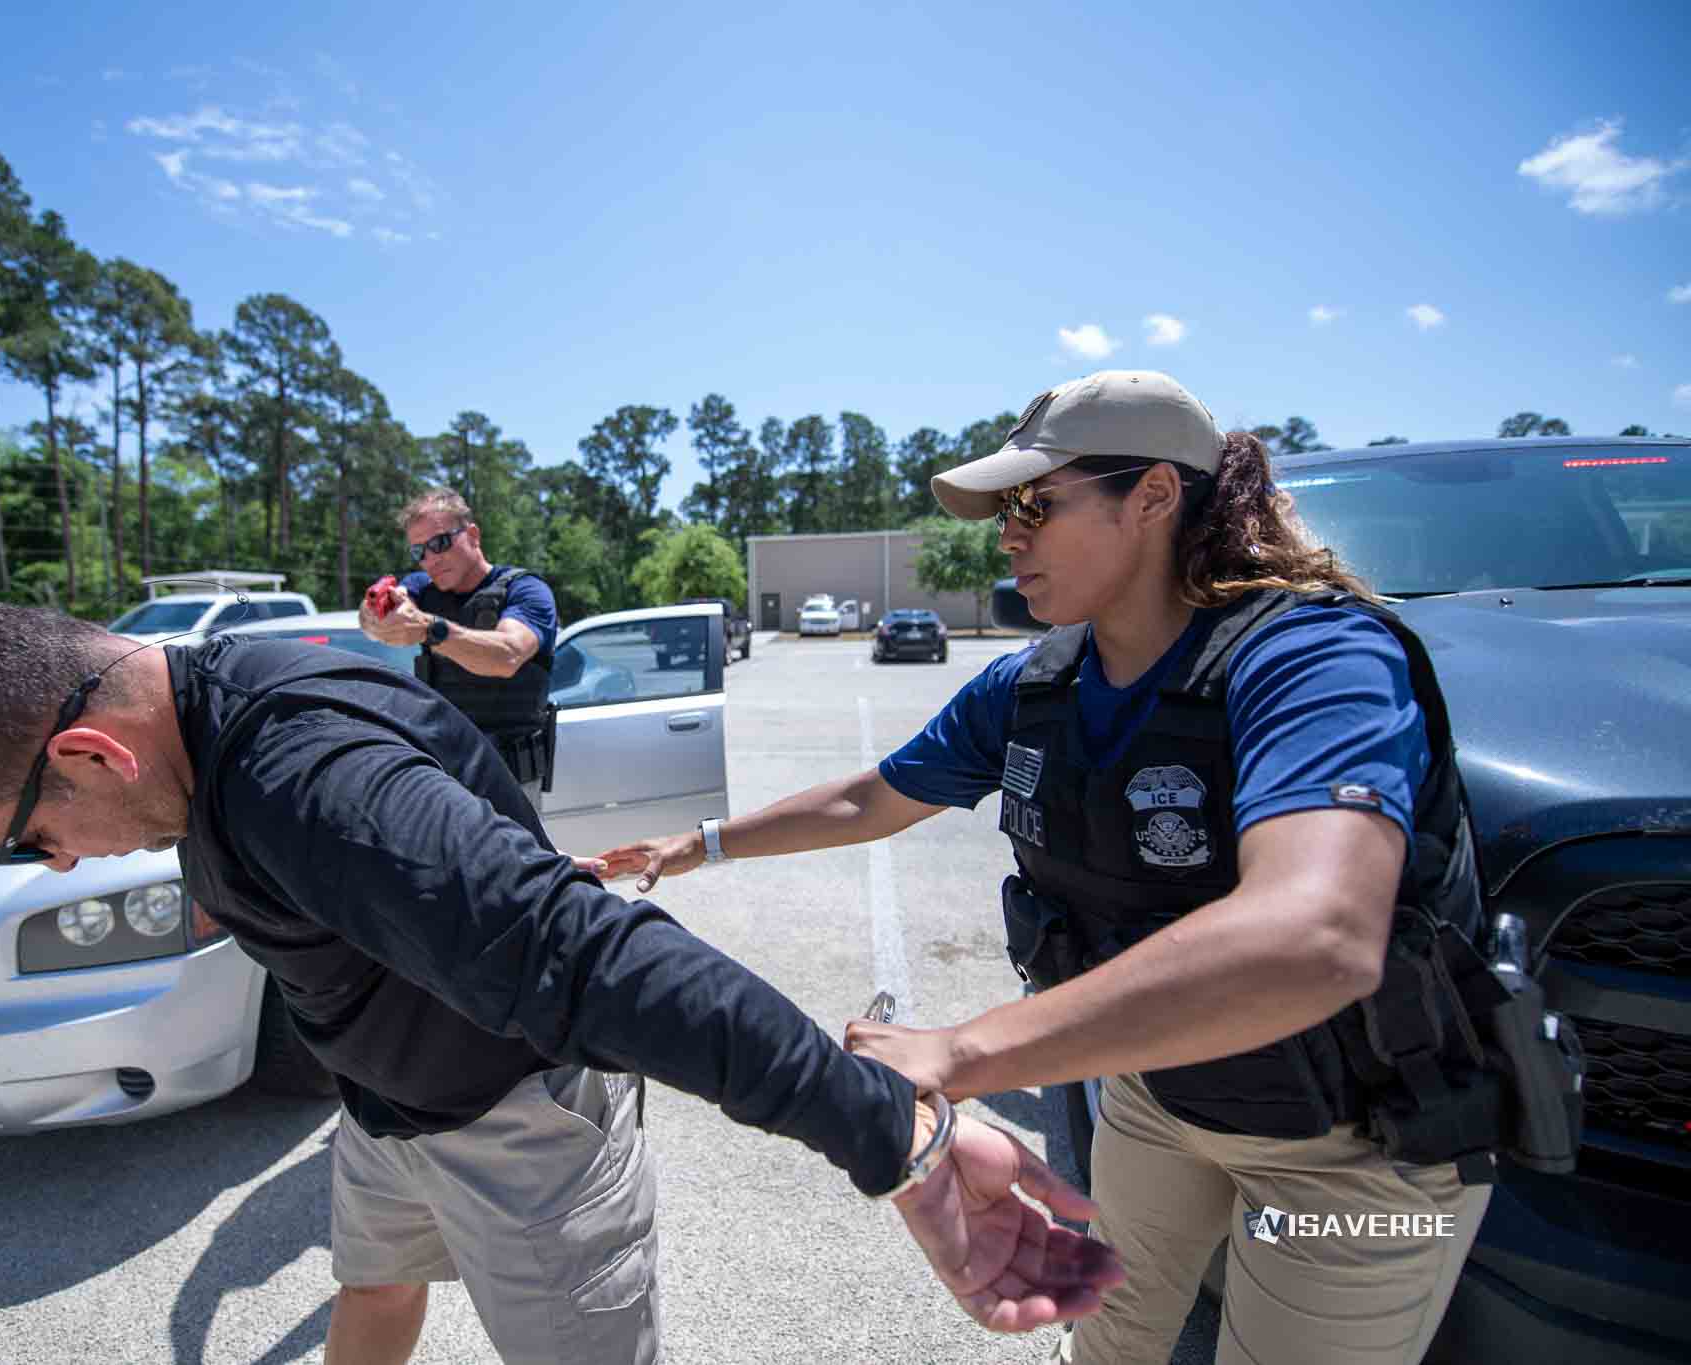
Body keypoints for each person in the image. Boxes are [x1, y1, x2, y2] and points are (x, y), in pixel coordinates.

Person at [0, 601, 1125, 1364]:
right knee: (377, 1290)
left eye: (20, 842)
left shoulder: (294, 779)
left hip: (519, 1129)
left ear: (93, 754)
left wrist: (890, 1129)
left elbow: (572, 948)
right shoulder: (234, 679)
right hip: (386, 1114)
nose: (47, 866)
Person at [598, 370, 1499, 1365]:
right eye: (1002, 511)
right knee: (1105, 1342)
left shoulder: (1313, 657)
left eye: (1034, 502)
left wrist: (961, 1053)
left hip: (1353, 1150)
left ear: (1152, 496)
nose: (1005, 533)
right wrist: (702, 844)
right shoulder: (1033, 686)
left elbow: (1312, 938)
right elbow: (872, 798)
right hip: (1159, 1105)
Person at [361, 487, 559, 808]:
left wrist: (432, 630)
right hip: (445, 774)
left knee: (510, 860)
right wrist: (376, 616)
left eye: (439, 543)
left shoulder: (525, 590)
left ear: (473, 535)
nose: (431, 559)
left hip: (510, 779)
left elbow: (507, 656)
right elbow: (374, 620)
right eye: (419, 552)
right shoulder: (421, 588)